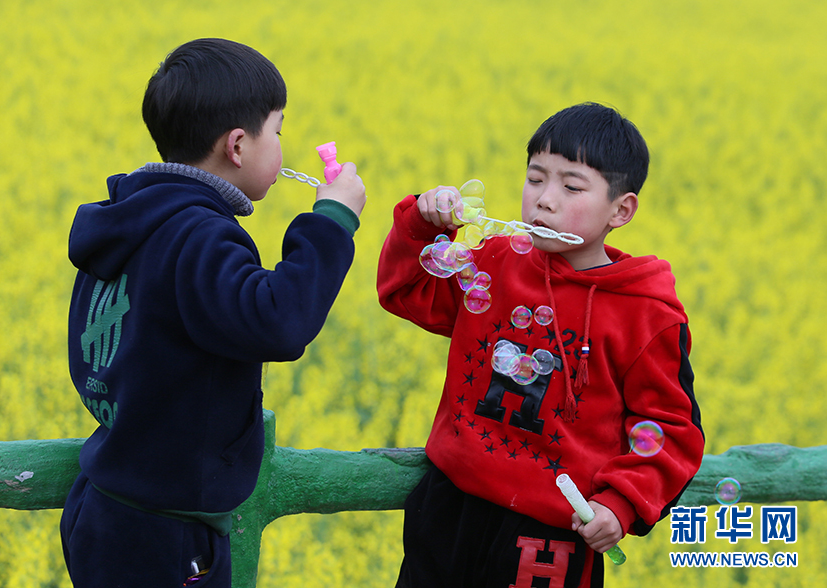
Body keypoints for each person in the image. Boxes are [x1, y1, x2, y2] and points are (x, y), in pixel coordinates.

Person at [60, 38, 366, 587]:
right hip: (166, 534)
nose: (281, 146)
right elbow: (277, 322)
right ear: (238, 146)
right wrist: (332, 221)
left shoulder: (133, 219)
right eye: (278, 131)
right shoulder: (199, 235)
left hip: (107, 503)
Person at [377, 102, 704, 588]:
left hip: (552, 533)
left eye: (571, 186)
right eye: (535, 179)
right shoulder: (493, 261)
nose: (544, 200)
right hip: (449, 506)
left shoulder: (646, 313)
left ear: (622, 209)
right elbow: (406, 292)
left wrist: (620, 505)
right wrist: (422, 226)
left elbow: (671, 429)